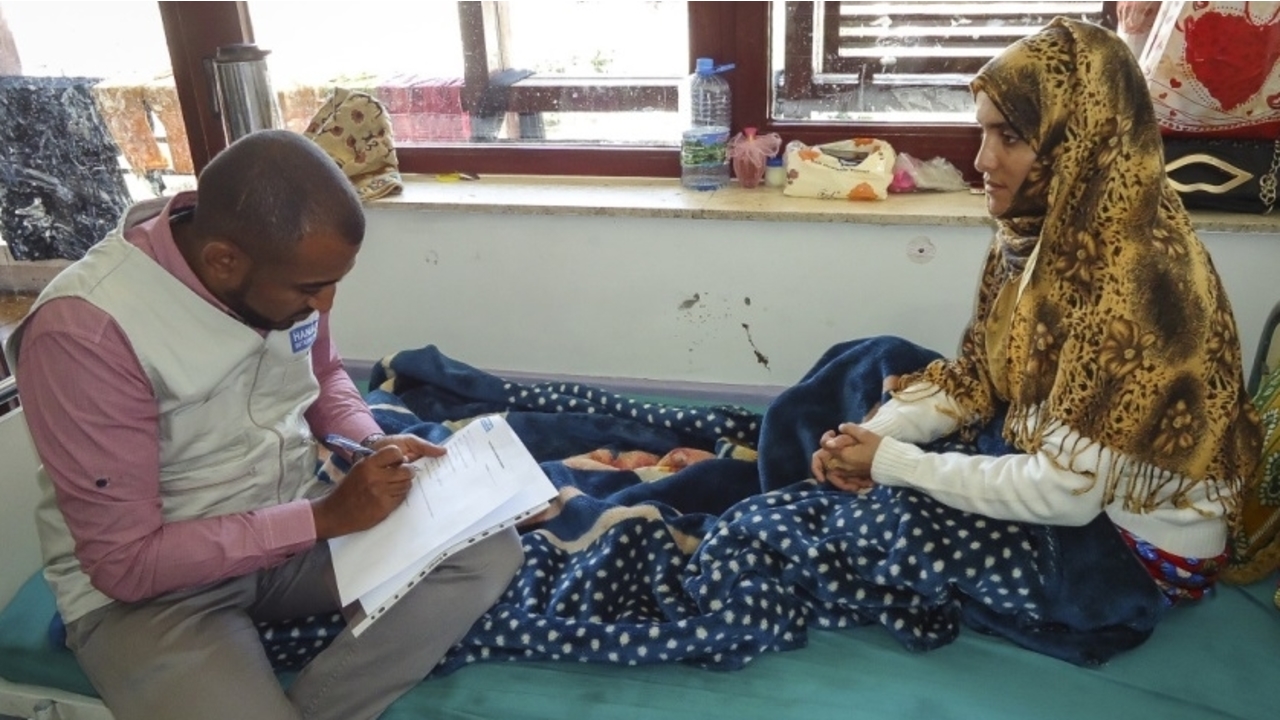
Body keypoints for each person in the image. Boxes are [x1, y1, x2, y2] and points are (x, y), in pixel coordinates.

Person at [3, 129, 523, 720]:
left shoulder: (279, 268)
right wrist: (323, 518)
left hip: (288, 531)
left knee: (486, 550)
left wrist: (369, 440)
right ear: (223, 261)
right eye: (312, 289)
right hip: (154, 592)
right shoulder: (86, 333)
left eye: (334, 285)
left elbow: (322, 374)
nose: (325, 304)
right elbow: (125, 565)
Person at [810, 17, 1261, 606]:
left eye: (1010, 138)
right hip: (1073, 481)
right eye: (983, 132)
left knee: (843, 535)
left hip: (1133, 551)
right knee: (875, 360)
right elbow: (978, 379)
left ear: (1076, 141)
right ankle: (831, 459)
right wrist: (868, 439)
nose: (982, 161)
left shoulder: (1136, 283)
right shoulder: (1038, 233)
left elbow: (1065, 494)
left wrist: (895, 464)